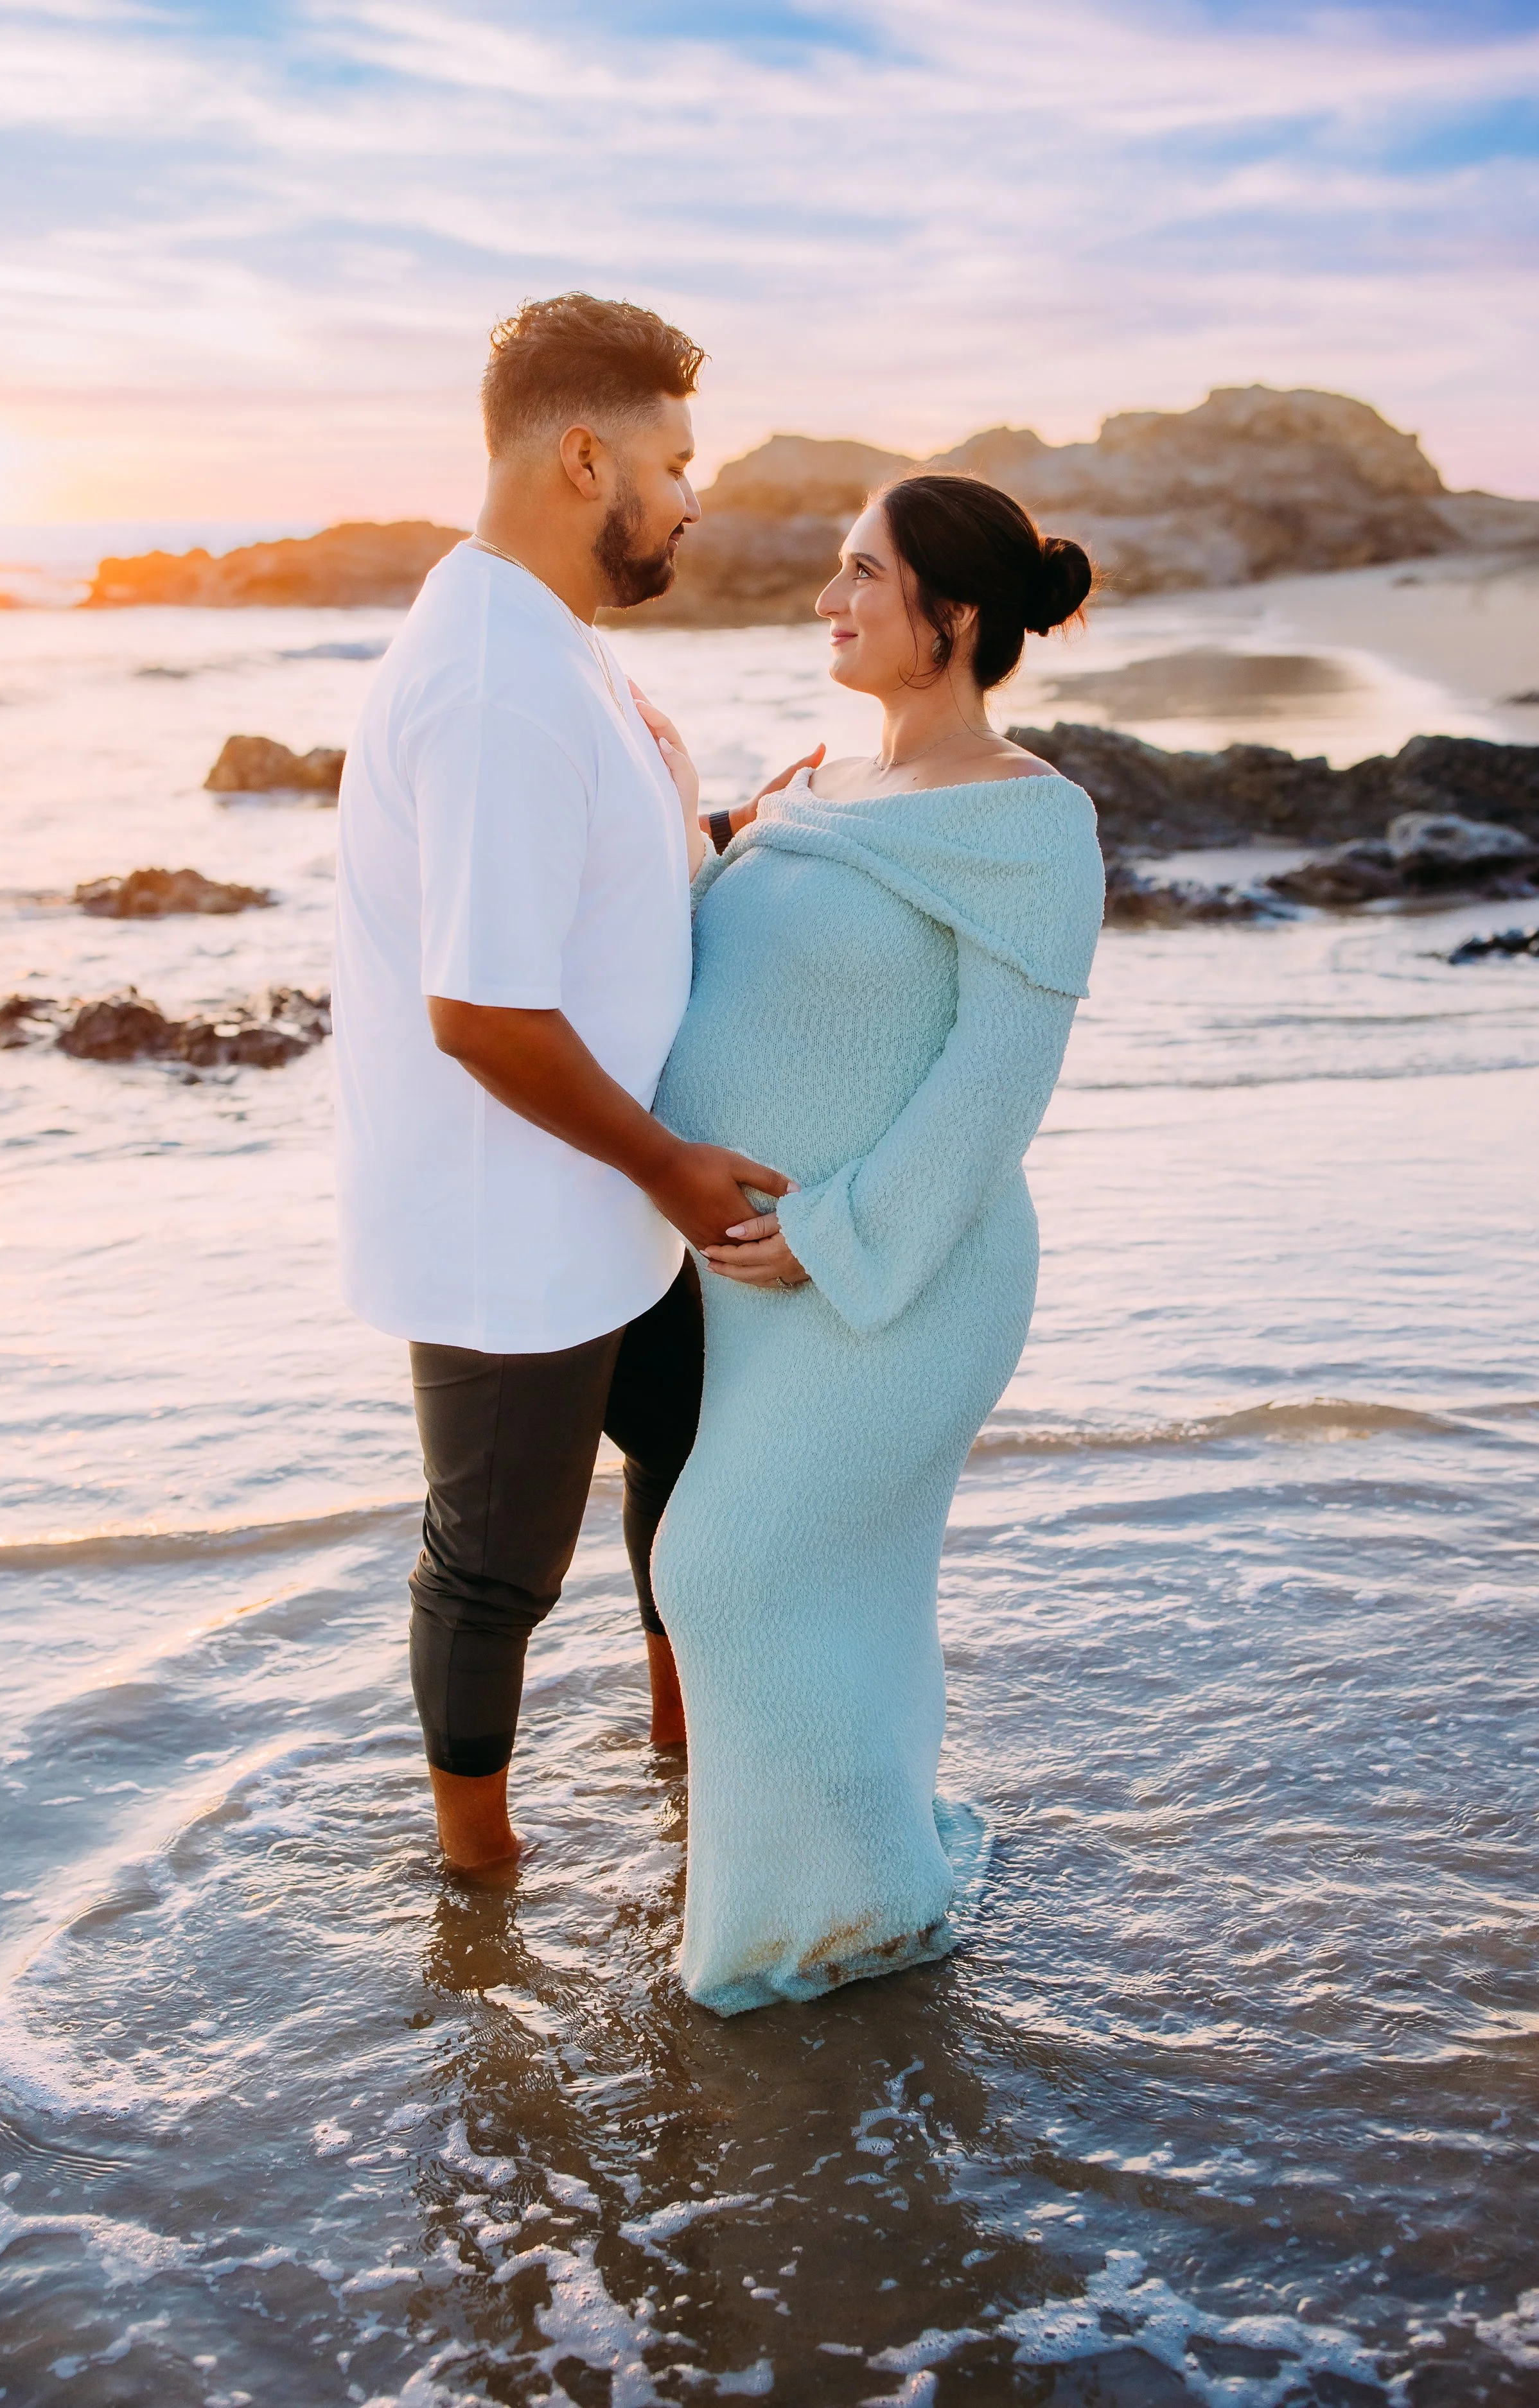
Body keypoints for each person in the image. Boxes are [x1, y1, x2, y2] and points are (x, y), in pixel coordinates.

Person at [333, 293, 805, 1880]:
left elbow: (600, 891)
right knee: (493, 1569)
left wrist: (739, 833)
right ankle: (477, 1882)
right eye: (674, 464)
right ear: (584, 454)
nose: (693, 499)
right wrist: (671, 1164)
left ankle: (698, 1781)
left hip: (617, 1198)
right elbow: (478, 1009)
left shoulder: (556, 647)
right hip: (514, 1217)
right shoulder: (492, 678)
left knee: (691, 1478)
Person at [651, 472, 1107, 2014]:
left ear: (954, 618)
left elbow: (993, 1093)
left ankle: (805, 1941)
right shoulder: (820, 791)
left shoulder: (1032, 821)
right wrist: (678, 808)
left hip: (896, 1282)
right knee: (840, 1589)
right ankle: (859, 1896)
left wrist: (834, 1234)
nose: (828, 600)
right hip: (764, 1291)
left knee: (722, 1566)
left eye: (862, 574)